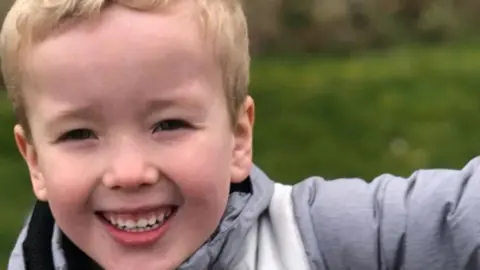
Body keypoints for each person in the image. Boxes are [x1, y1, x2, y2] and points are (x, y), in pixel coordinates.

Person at [1, 0, 480, 269]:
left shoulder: (320, 238)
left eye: (168, 124)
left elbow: (458, 216)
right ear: (35, 161)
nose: (130, 173)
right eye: (81, 133)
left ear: (238, 138)